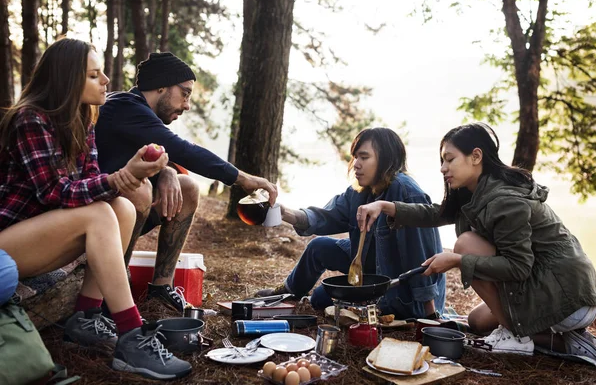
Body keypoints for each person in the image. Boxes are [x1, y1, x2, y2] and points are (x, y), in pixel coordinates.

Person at [0, 38, 192, 380]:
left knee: (122, 207)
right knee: (104, 210)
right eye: (94, 75)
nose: (106, 81)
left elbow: (91, 182)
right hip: (8, 242)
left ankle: (86, 317)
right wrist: (122, 177)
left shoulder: (83, 120)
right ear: (66, 80)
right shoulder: (30, 119)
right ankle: (132, 337)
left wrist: (138, 173)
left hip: (43, 234)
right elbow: (54, 193)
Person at [357, 122, 596, 359]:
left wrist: (458, 260)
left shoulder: (505, 200)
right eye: (442, 160)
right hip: (550, 287)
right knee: (477, 321)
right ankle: (567, 343)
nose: (443, 168)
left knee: (465, 245)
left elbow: (518, 267)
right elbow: (434, 213)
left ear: (476, 156)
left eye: (450, 159)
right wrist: (384, 206)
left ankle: (519, 337)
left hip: (567, 296)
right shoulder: (475, 192)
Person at [95, 52, 278, 311]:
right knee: (141, 189)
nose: (187, 104)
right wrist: (242, 179)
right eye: (185, 93)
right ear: (161, 86)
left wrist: (168, 171)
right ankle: (115, 286)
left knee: (188, 187)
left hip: (115, 207)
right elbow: (183, 149)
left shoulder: (137, 113)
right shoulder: (124, 106)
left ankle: (161, 288)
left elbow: (160, 152)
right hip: (93, 208)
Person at [256, 128, 445, 319]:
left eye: (364, 157)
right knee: (318, 247)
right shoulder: (359, 191)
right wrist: (285, 213)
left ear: (386, 160)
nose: (356, 164)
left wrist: (428, 315)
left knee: (320, 298)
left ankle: (369, 301)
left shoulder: (407, 193)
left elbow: (421, 256)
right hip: (367, 269)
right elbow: (325, 217)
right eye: (355, 157)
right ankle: (289, 292)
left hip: (400, 294)